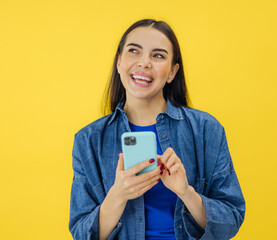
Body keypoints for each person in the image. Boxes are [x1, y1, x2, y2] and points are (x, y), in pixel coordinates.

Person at [69, 19, 245, 240]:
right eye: (134, 51)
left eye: (158, 55)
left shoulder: (206, 130)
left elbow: (231, 220)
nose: (144, 63)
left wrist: (186, 192)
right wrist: (119, 194)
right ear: (119, 62)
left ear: (172, 72)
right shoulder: (88, 140)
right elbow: (82, 234)